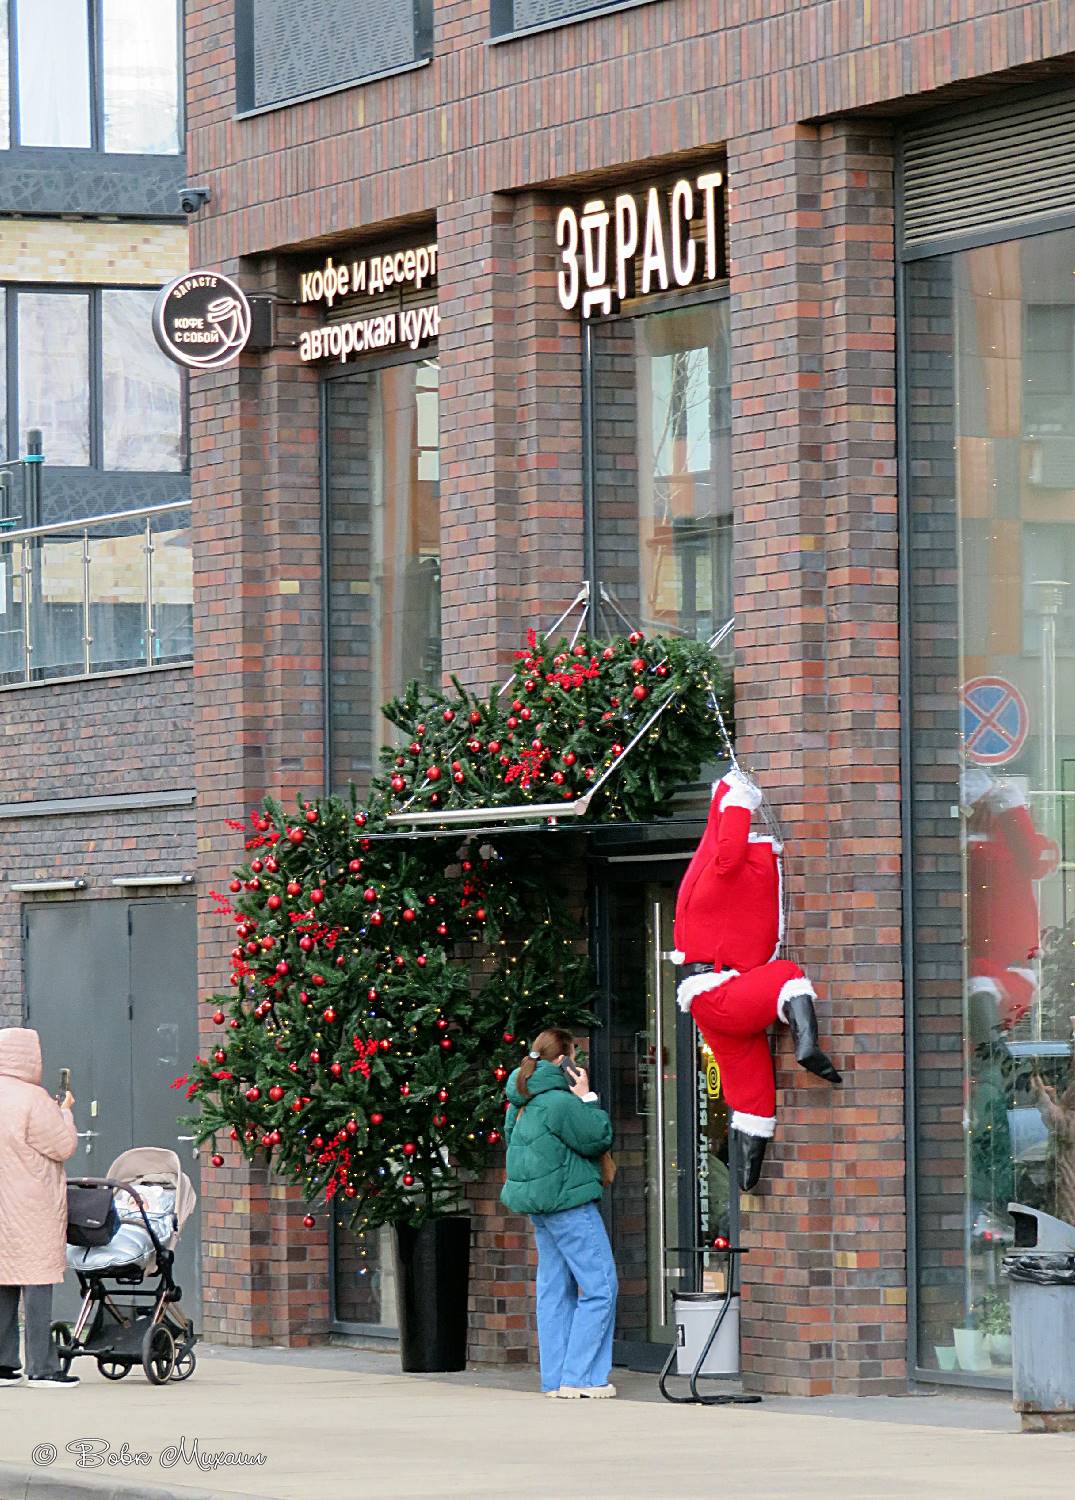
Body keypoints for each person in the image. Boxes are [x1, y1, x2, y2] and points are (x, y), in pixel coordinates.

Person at [674, 766, 841, 1191]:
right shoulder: (715, 872)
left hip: (710, 998)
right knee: (785, 976)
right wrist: (739, 802)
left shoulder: (699, 888)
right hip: (719, 990)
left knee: (752, 1095)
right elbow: (729, 854)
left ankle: (746, 1183)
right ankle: (807, 1044)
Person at [501, 1028, 617, 1399]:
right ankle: (582, 1377)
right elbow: (597, 1137)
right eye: (574, 1058)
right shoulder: (560, 1102)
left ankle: (556, 1379)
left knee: (554, 1291)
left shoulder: (519, 1101)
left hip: (540, 1209)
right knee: (601, 1287)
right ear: (563, 1061)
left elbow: (514, 1143)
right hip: (569, 1204)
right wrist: (587, 1098)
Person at [0, 1027, 79, 1388]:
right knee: (36, 1284)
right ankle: (43, 1367)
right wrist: (65, 1113)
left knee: (3, 1281)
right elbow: (62, 1146)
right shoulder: (34, 1099)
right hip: (31, 1206)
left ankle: (3, 1364)